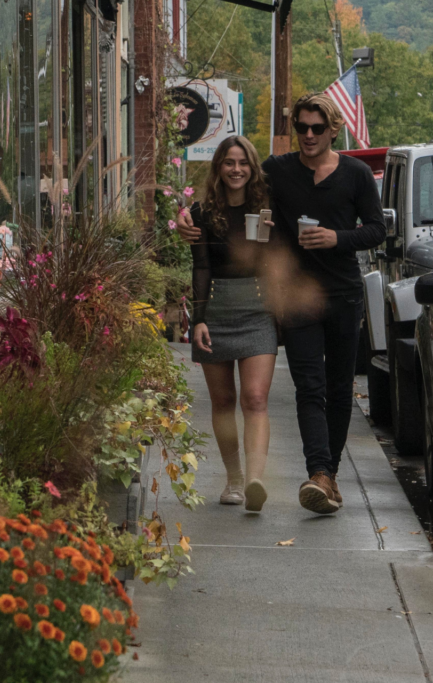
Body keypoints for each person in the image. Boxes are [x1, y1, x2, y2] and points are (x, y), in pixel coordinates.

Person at [177, 93, 386, 515]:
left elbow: (378, 230)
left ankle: (329, 475)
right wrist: (187, 216)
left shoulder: (357, 174)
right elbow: (234, 186)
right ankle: (318, 474)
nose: (308, 135)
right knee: (309, 386)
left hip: (344, 293)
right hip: (295, 299)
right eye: (302, 128)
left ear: (333, 130)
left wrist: (337, 238)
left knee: (339, 386)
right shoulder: (278, 170)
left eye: (317, 128)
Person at [188, 136, 278, 513]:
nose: (236, 169)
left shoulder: (269, 207)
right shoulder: (202, 211)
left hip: (258, 308)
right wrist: (199, 319)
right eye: (229, 162)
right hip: (217, 309)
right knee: (223, 400)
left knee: (255, 398)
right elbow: (202, 266)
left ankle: (256, 482)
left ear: (253, 167)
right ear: (218, 167)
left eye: (243, 162)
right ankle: (235, 481)